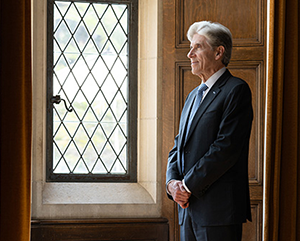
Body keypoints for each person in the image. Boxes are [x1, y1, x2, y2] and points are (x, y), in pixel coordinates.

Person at [166, 21, 253, 241]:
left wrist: (186, 185)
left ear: (218, 52)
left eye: (197, 47)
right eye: (190, 47)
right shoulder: (193, 96)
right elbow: (179, 146)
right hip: (187, 210)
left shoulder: (236, 90)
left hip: (218, 212)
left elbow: (225, 148)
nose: (190, 54)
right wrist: (172, 184)